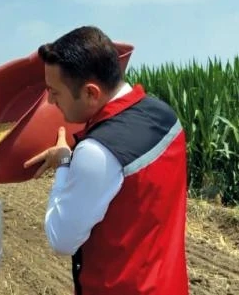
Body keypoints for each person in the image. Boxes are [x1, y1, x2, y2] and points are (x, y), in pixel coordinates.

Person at [24, 26, 189, 294]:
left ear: (91, 93)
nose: (51, 101)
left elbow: (61, 238)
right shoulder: (164, 116)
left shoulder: (97, 151)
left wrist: (65, 164)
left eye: (55, 92)